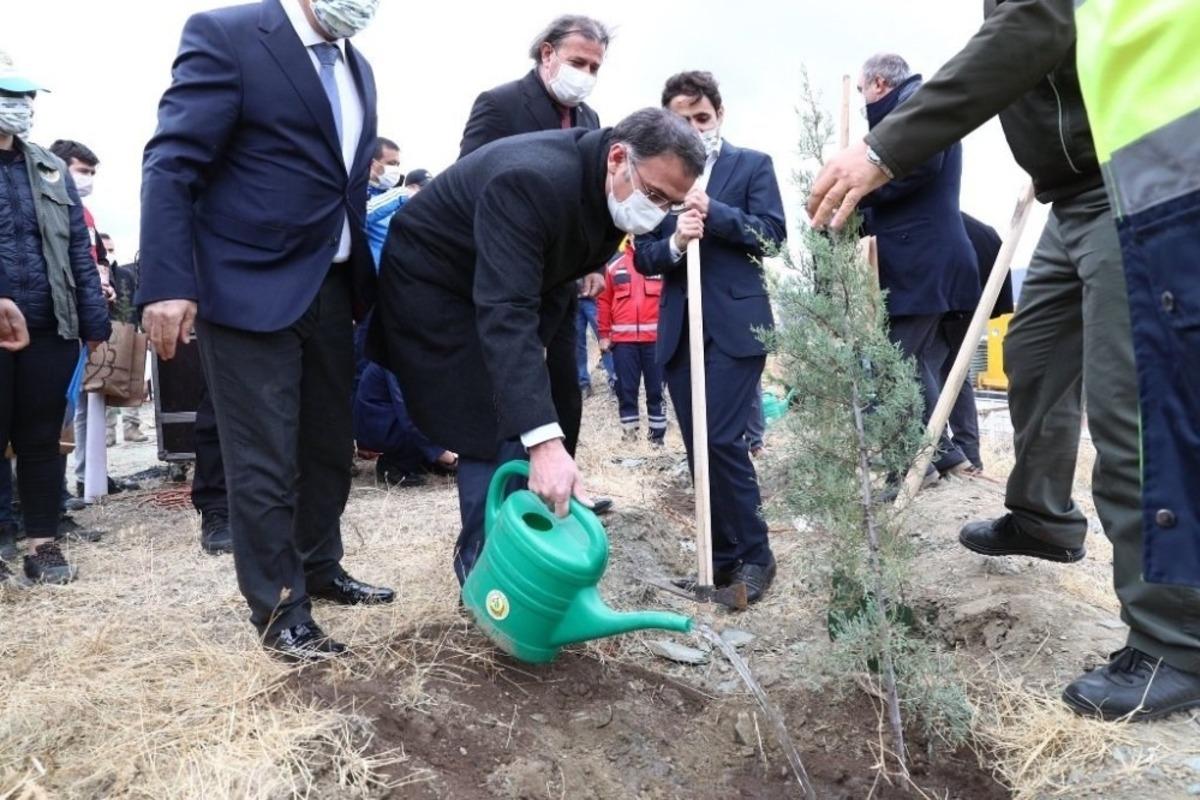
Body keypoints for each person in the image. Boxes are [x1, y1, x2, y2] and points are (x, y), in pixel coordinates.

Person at [806, 0, 1200, 720]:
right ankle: (1043, 519)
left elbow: (1034, 28)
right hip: (1072, 197)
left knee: (1132, 405)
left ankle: (1174, 640)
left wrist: (883, 147)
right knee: (1034, 355)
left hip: (1148, 174)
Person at [138, 0, 394, 662]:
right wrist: (166, 282)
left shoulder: (357, 66)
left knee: (327, 447)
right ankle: (282, 612)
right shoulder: (227, 35)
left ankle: (319, 566)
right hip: (247, 285)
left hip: (331, 286)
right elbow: (172, 162)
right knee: (264, 459)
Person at [371, 108, 704, 585]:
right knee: (491, 415)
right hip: (439, 284)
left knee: (556, 394)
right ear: (617, 158)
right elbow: (505, 311)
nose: (654, 213)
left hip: (527, 281)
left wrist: (544, 410)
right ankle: (486, 571)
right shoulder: (530, 180)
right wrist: (541, 439)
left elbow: (551, 270)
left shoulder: (611, 185)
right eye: (653, 194)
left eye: (669, 204)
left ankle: (544, 513)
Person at [635, 71, 786, 604]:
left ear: (719, 115)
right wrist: (676, 242)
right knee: (699, 447)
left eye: (702, 117)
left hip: (736, 327)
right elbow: (644, 256)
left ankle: (756, 557)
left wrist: (714, 213)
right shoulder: (655, 177)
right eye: (682, 120)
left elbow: (772, 235)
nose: (694, 128)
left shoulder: (751, 165)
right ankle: (718, 560)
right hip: (681, 331)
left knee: (721, 439)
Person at [457, 15, 613, 513]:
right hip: (510, 281)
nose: (585, 74)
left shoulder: (590, 120)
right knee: (506, 393)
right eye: (577, 61)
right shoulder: (499, 104)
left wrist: (595, 262)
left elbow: (595, 202)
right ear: (547, 54)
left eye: (594, 66)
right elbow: (471, 184)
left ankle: (559, 495)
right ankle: (495, 516)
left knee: (564, 391)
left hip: (562, 285)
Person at [0, 53, 110, 586]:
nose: (21, 106)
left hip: (50, 325)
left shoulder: (49, 168)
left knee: (43, 437)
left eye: (26, 97)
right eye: (9, 96)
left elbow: (76, 252)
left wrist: (93, 321)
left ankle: (42, 543)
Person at [856, 54, 981, 478]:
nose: (862, 101)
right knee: (914, 362)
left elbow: (915, 170)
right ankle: (944, 454)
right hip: (925, 259)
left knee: (893, 360)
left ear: (878, 83)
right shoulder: (914, 106)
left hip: (922, 261)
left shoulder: (915, 107)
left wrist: (858, 190)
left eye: (862, 91)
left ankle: (915, 464)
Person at [947, 213, 1011, 472]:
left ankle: (945, 451)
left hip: (950, 304)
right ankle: (968, 451)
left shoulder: (941, 223)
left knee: (935, 368)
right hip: (976, 305)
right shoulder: (982, 229)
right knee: (956, 371)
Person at [597, 239, 666, 445]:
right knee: (625, 390)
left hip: (656, 342)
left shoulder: (660, 263)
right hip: (623, 343)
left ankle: (657, 440)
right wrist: (603, 334)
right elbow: (603, 301)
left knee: (656, 391)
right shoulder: (614, 266)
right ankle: (629, 437)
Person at [353, 362, 456, 487]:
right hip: (380, 428)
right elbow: (409, 416)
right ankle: (394, 465)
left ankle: (424, 459)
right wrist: (443, 454)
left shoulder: (412, 357)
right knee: (421, 422)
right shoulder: (397, 362)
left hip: (386, 421)